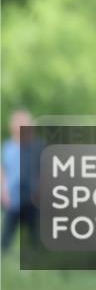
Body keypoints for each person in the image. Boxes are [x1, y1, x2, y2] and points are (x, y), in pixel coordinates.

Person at [1, 109, 41, 254]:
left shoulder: (36, 146)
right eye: (18, 122)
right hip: (12, 196)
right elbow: (3, 170)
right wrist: (3, 191)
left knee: (35, 231)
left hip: (32, 195)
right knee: (8, 230)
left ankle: (38, 257)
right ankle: (4, 255)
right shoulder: (7, 147)